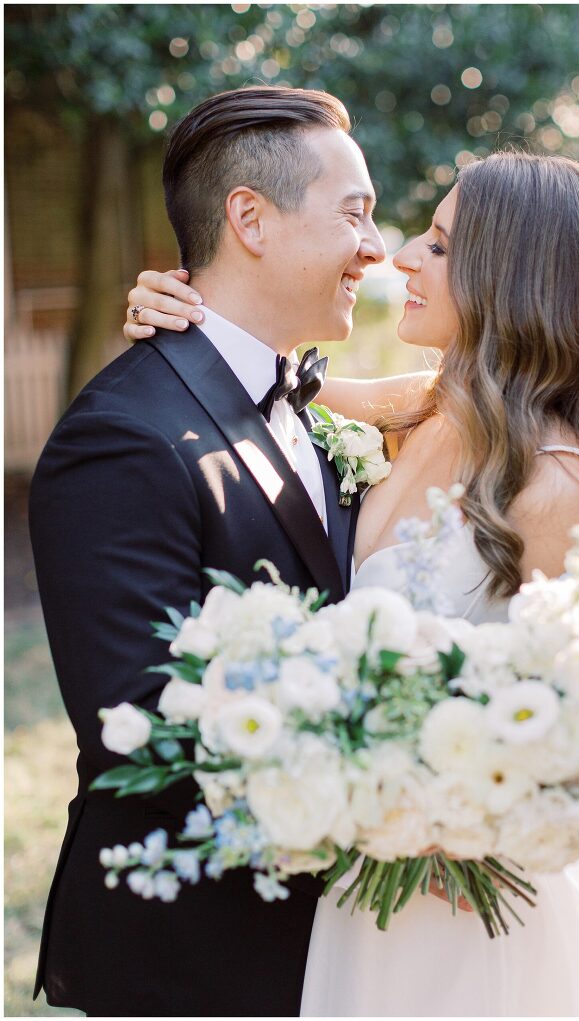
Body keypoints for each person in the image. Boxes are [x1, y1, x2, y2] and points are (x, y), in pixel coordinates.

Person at [128, 149, 579, 1016]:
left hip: (481, 925)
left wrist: (454, 811)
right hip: (367, 902)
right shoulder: (424, 408)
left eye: (438, 244)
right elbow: (263, 389)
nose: (399, 259)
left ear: (507, 275)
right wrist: (181, 316)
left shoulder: (566, 489)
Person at [29, 85, 386, 1017]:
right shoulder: (124, 435)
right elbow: (138, 722)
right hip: (193, 960)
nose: (375, 248)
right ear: (249, 218)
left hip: (330, 947)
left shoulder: (303, 397)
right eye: (356, 213)